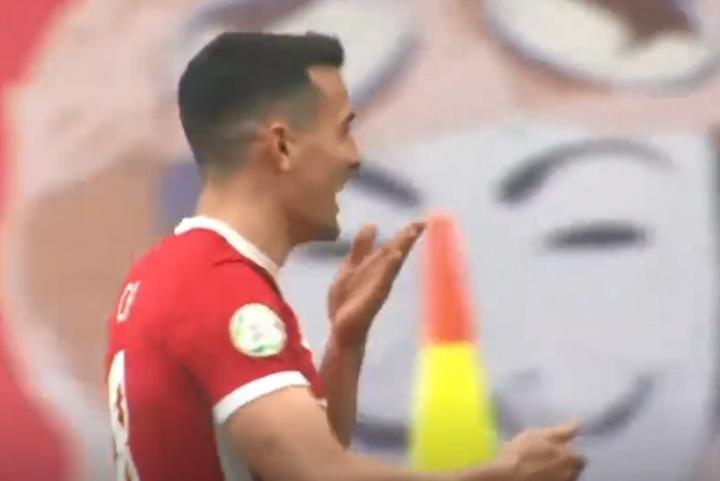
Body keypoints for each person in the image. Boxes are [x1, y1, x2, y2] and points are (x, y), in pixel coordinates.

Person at [104, 32, 586, 481]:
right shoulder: (221, 289)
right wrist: (499, 475)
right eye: (342, 132)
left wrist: (345, 344)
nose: (353, 157)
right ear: (282, 145)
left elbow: (299, 453)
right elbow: (315, 471)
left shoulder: (165, 272)